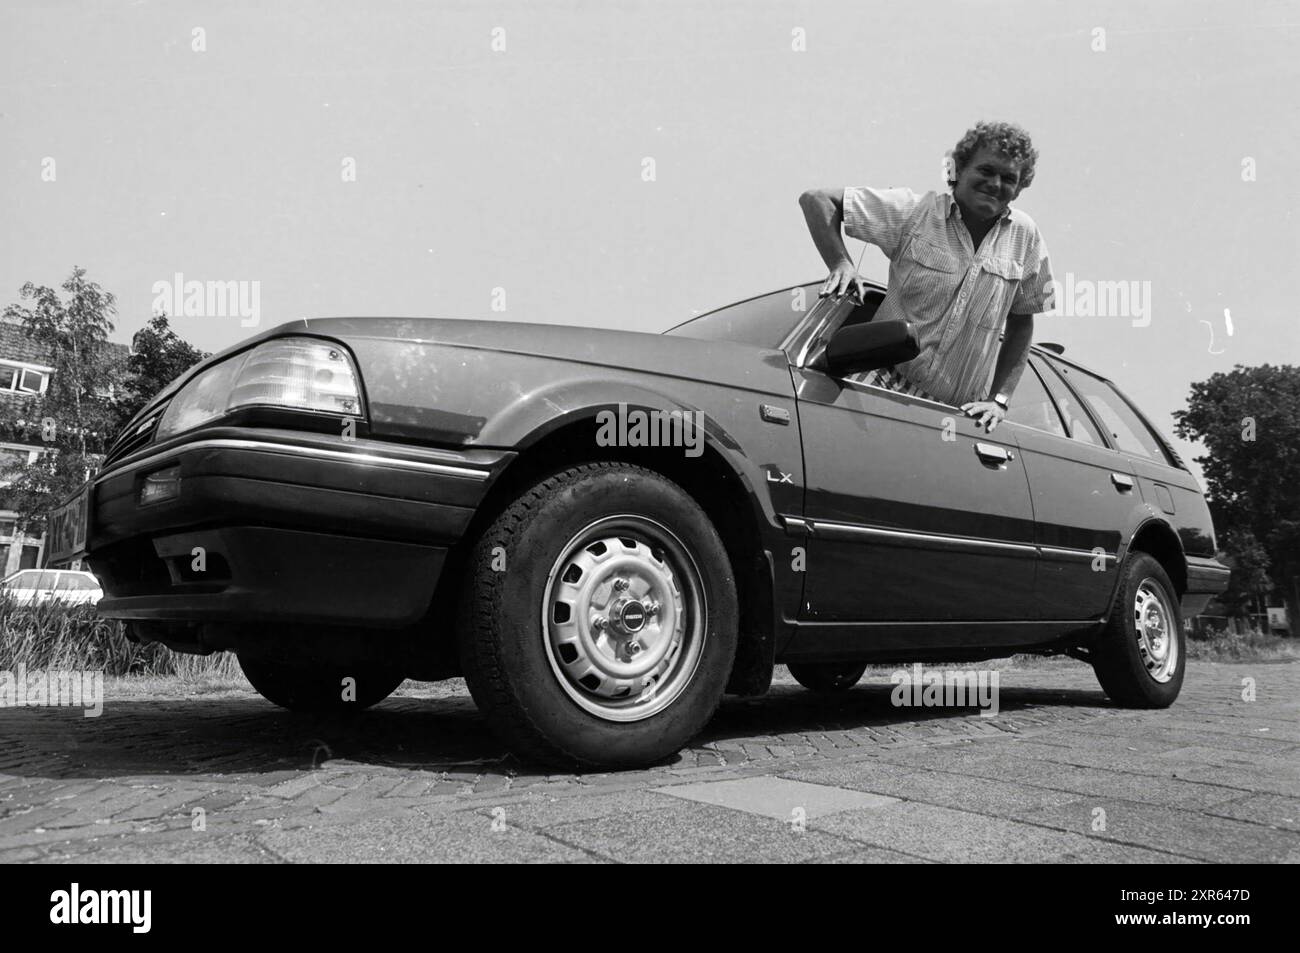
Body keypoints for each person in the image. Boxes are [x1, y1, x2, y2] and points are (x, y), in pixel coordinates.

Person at [798, 120, 1055, 433]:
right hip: (876, 390)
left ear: (1019, 187)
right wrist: (841, 264)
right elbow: (817, 200)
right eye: (986, 171)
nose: (996, 184)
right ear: (958, 169)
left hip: (956, 419)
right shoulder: (915, 212)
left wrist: (999, 399)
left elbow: (1023, 320)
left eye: (1009, 178)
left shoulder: (1026, 237)